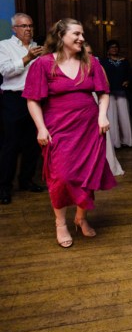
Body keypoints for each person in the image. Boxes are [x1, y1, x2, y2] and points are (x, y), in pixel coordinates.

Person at [23, 18, 117, 248]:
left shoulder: (91, 62)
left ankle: (81, 218)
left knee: (88, 176)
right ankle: (60, 223)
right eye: (76, 34)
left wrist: (102, 114)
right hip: (59, 129)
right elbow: (33, 100)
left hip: (89, 128)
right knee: (61, 177)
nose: (82, 38)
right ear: (60, 36)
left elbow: (104, 92)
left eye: (82, 34)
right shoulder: (43, 64)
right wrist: (41, 128)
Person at [0, 13, 45, 205]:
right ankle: (3, 187)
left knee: (33, 144)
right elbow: (5, 70)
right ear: (14, 29)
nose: (28, 29)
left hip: (37, 99)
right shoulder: (4, 46)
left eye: (30, 25)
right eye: (23, 26)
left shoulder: (39, 47)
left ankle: (26, 180)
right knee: (10, 145)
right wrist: (27, 58)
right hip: (14, 100)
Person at [84, 42, 124, 176]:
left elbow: (105, 85)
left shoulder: (97, 66)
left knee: (100, 133)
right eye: (86, 53)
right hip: (82, 104)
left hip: (96, 99)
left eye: (90, 53)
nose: (89, 56)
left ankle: (105, 165)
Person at [100, 40, 132, 148]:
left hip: (122, 91)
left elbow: (129, 74)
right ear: (108, 49)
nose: (114, 49)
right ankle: (115, 143)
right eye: (112, 47)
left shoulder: (124, 61)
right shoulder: (103, 61)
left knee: (124, 117)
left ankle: (127, 141)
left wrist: (127, 81)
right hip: (108, 93)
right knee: (111, 117)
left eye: (116, 47)